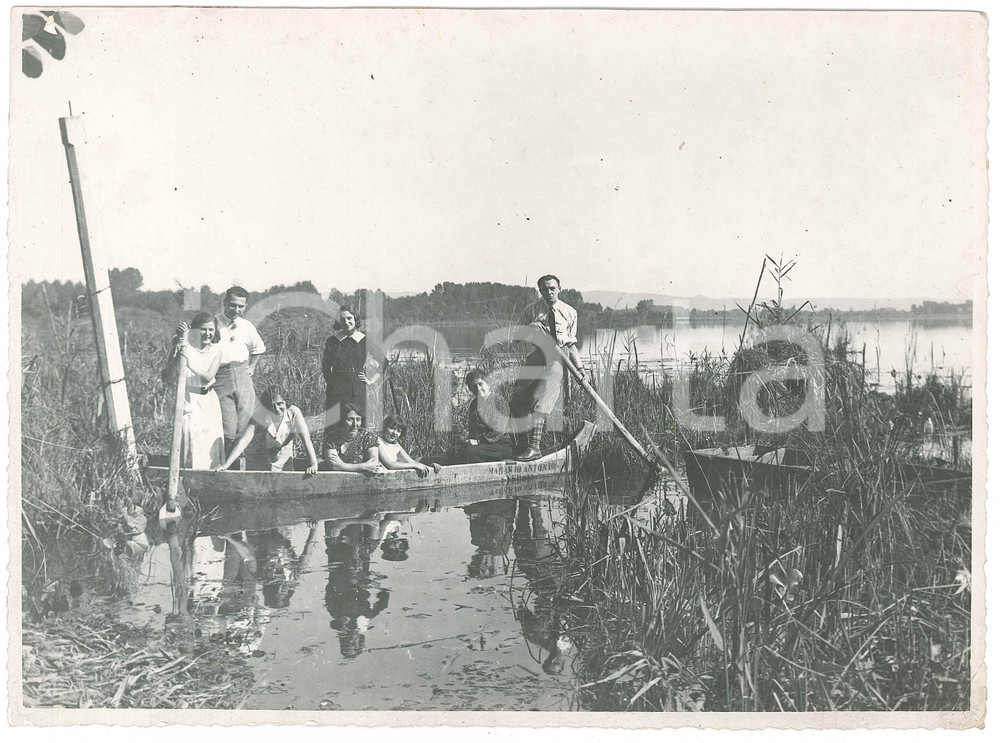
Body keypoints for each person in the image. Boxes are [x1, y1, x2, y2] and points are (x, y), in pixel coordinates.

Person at [510, 275, 585, 460]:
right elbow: (517, 337)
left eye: (552, 288)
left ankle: (534, 447)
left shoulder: (570, 312)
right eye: (544, 289)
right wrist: (531, 328)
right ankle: (521, 446)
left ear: (560, 288)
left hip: (559, 359)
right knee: (518, 399)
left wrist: (581, 370)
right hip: (538, 355)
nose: (549, 292)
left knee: (541, 399)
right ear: (540, 291)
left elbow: (571, 344)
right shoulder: (532, 310)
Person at [162, 312, 225, 469]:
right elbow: (167, 376)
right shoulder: (185, 347)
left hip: (209, 400)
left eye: (211, 329)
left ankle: (209, 478)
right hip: (188, 399)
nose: (207, 333)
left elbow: (208, 377)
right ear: (195, 330)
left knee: (208, 440)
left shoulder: (216, 351)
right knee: (190, 439)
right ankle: (186, 478)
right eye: (203, 329)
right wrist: (178, 350)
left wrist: (189, 363)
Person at [215, 286, 267, 458]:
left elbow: (259, 349)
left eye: (241, 306)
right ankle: (223, 463)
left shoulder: (247, 326)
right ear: (224, 303)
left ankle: (239, 463)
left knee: (244, 423)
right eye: (232, 305)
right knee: (228, 429)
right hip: (221, 376)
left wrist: (252, 366)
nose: (236, 310)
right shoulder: (213, 324)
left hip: (243, 375)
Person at [216, 388, 319, 474]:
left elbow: (306, 439)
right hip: (258, 457)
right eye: (271, 405)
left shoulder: (294, 413)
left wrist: (313, 464)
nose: (276, 409)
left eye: (280, 404)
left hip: (282, 456)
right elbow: (244, 441)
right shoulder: (259, 414)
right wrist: (226, 465)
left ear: (286, 401)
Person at [322, 305, 382, 436]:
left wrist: (370, 380)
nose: (346, 322)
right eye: (342, 319)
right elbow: (325, 367)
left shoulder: (364, 340)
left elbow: (384, 362)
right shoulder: (332, 342)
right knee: (334, 424)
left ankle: (360, 454)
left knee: (358, 423)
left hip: (357, 390)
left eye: (349, 318)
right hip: (336, 390)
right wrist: (332, 384)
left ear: (355, 319)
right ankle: (332, 455)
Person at [438, 370, 514, 465]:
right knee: (455, 450)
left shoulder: (498, 401)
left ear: (488, 384)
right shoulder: (474, 404)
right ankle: (436, 463)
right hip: (483, 445)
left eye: (480, 384)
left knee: (470, 452)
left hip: (501, 445)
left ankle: (443, 463)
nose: (478, 388)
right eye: (474, 386)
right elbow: (472, 431)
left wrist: (478, 441)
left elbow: (498, 431)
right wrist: (468, 442)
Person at [321, 403, 384, 474]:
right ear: (341, 420)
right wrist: (364, 466)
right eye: (350, 419)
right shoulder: (332, 438)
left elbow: (373, 464)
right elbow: (334, 466)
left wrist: (342, 465)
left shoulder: (368, 437)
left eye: (358, 419)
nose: (355, 424)